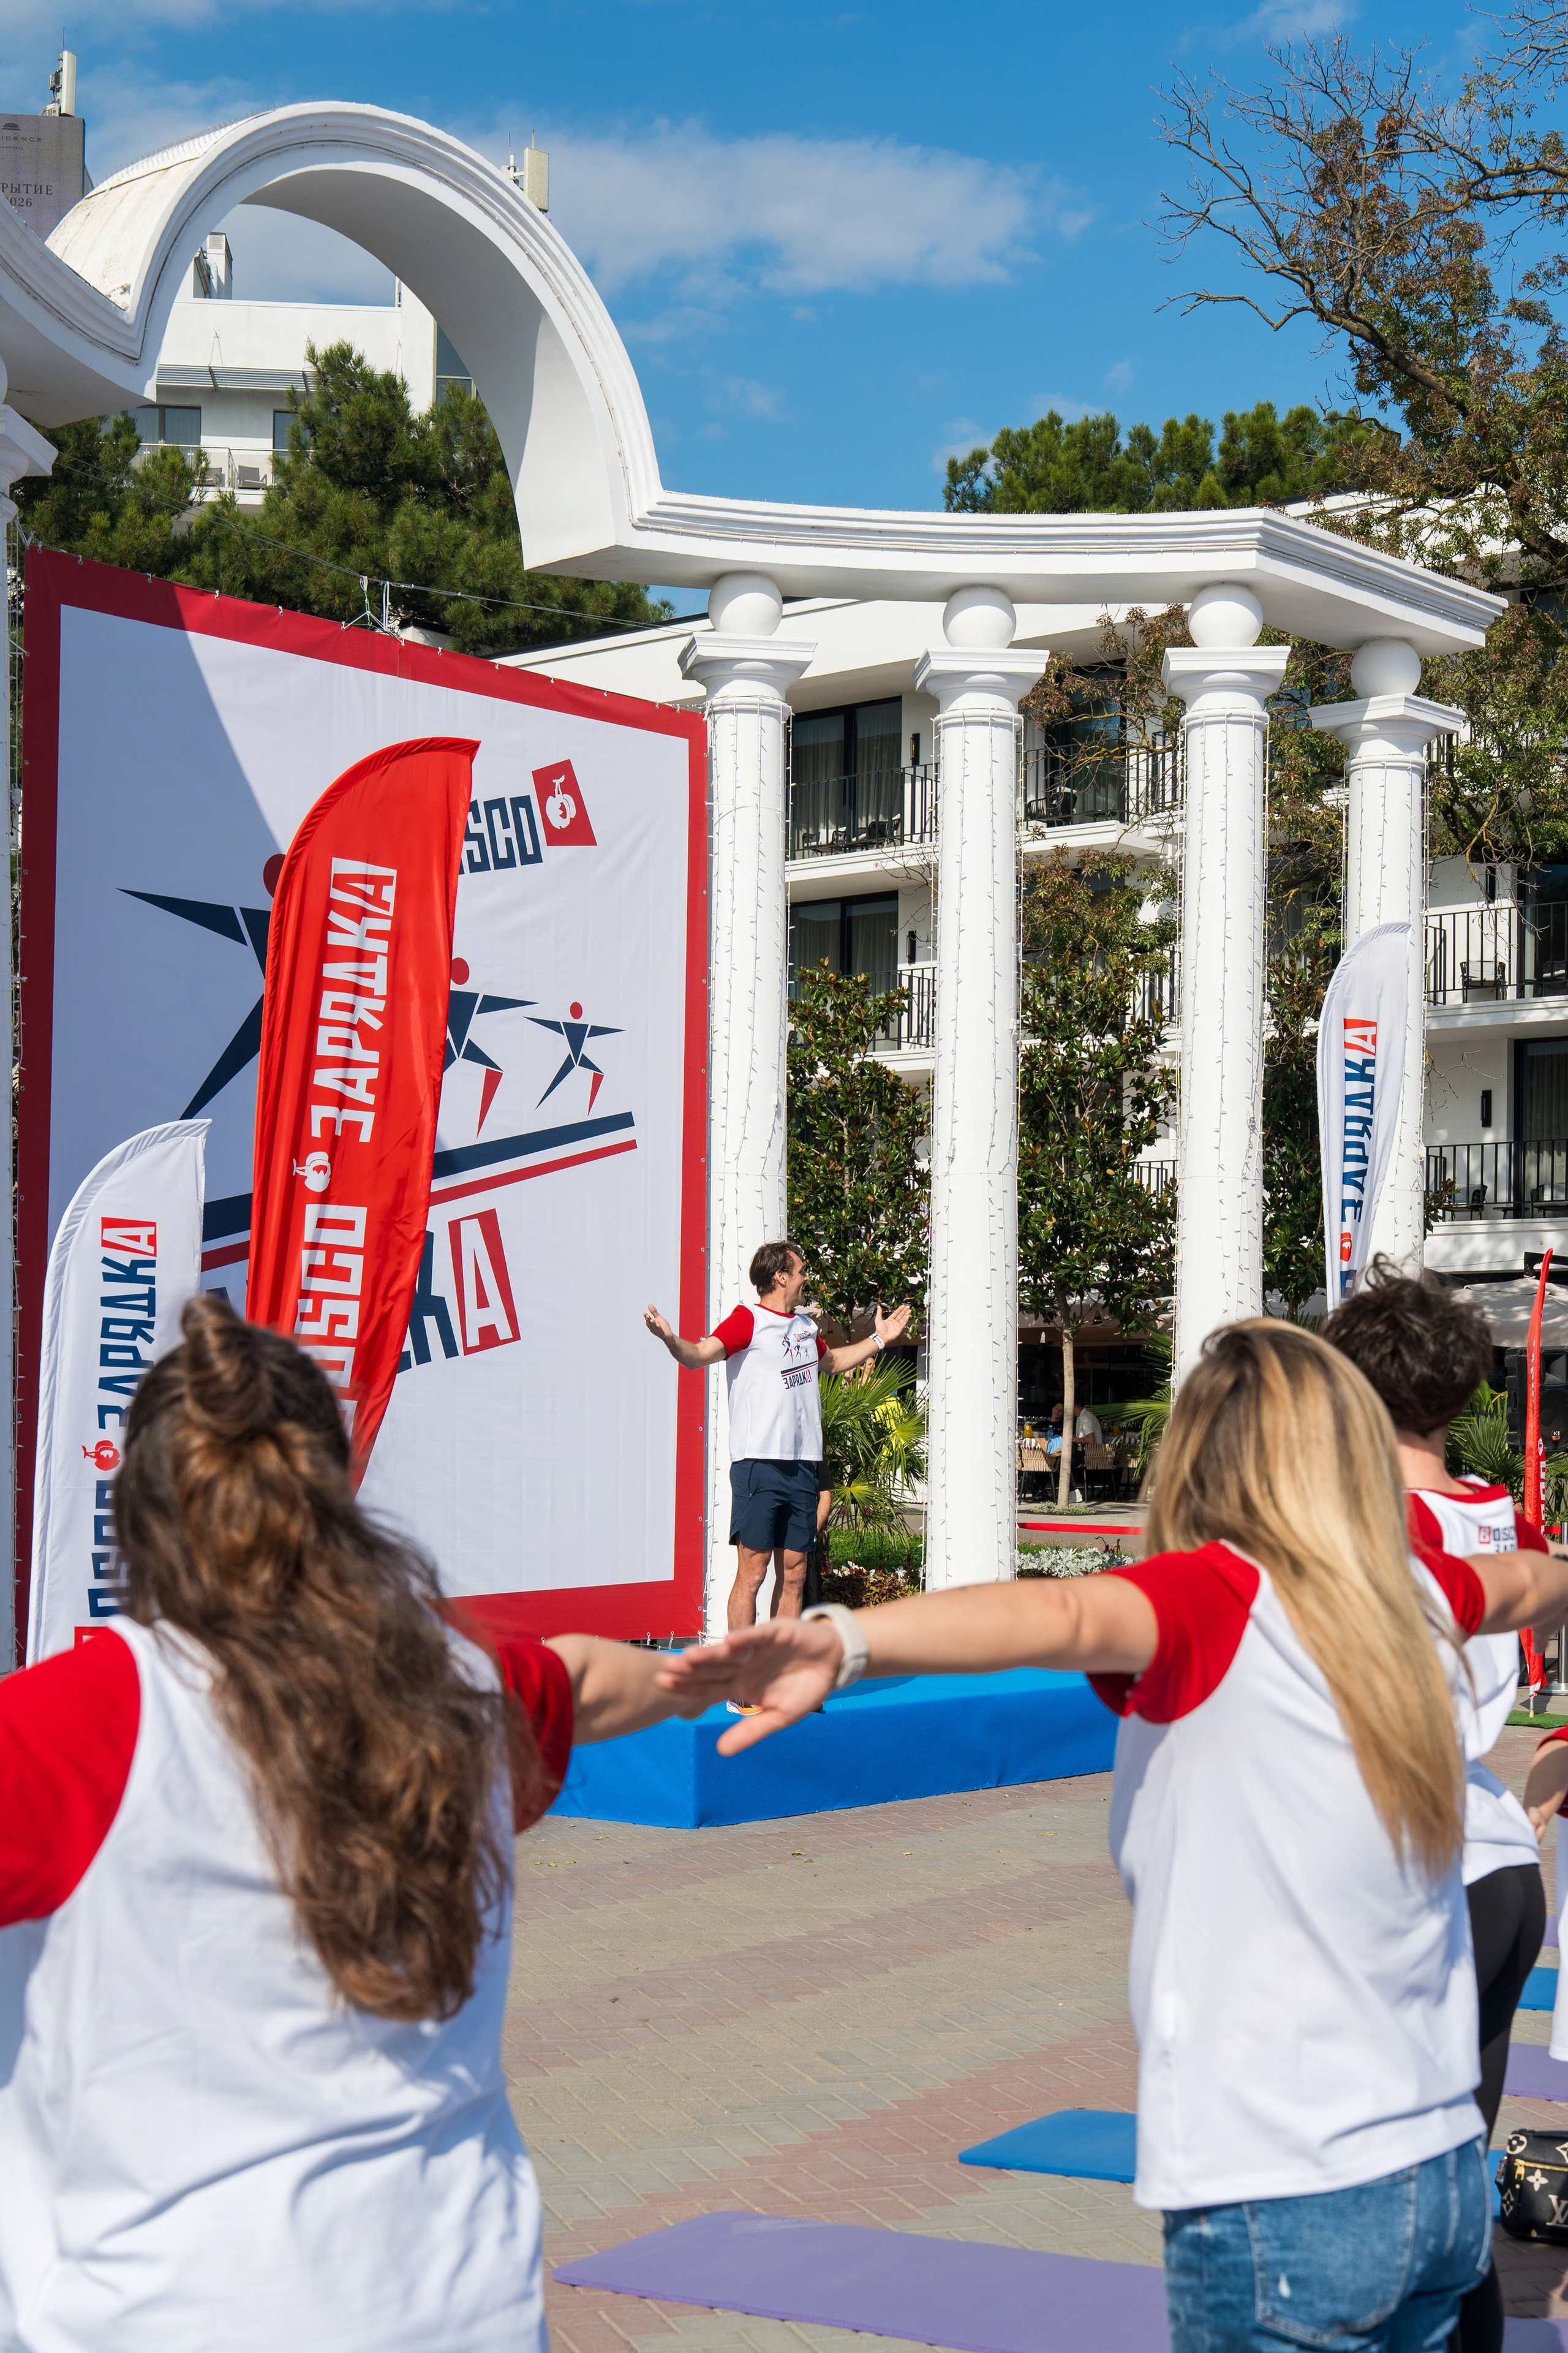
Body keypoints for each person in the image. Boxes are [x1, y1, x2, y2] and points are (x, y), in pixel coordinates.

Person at [657, 1320, 1568, 2353]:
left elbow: (1056, 1618)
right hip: (1436, 2175)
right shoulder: (1412, 1590)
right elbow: (1531, 1585)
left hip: (1285, 2186)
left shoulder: (1224, 1593)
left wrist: (851, 1637)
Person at [0, 1296, 708, 2353]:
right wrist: (708, 1676)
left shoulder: (74, 1725)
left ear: (141, 1519)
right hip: (464, 2310)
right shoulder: (455, 1683)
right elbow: (591, 1678)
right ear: (337, 1497)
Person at [1324, 1266, 1547, 2353]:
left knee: (1391, 2188)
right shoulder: (1493, 1511)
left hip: (1421, 1872)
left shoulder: (1379, 1528)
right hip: (1502, 1863)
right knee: (1451, 2174)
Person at [643, 1241, 909, 1633]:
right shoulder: (747, 1319)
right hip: (759, 1464)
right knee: (753, 1571)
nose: (805, 1278)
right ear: (781, 1276)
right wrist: (670, 1339)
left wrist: (880, 1339)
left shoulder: (805, 1326)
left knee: (797, 1571)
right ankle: (742, 1674)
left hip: (803, 1465)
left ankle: (778, 1670)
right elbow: (698, 1355)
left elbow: (833, 1362)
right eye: (801, 1271)